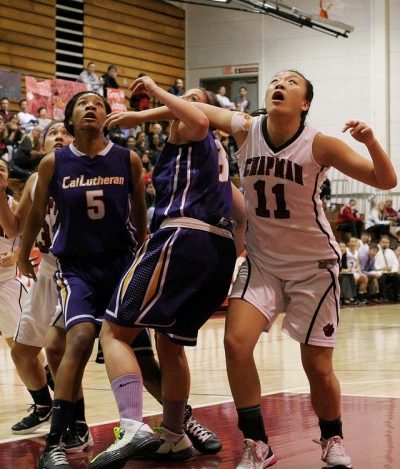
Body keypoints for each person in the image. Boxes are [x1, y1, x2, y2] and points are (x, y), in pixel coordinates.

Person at [182, 69, 396, 468]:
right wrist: (140, 114)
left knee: (316, 366)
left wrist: (370, 142)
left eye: (291, 81)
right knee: (235, 344)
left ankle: (332, 437)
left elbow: (386, 180)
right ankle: (257, 443)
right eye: (276, 79)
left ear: (305, 103)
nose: (280, 83)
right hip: (262, 261)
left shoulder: (320, 144)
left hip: (313, 267)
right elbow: (195, 108)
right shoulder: (246, 128)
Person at [88, 79, 246, 468]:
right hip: (216, 250)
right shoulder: (215, 159)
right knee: (170, 345)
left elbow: (193, 115)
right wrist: (231, 253)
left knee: (114, 332)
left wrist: (156, 93)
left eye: (193, 101)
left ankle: (132, 424)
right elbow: (242, 214)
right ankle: (174, 434)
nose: (182, 107)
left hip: (181, 237)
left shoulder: (197, 131)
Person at [17, 91, 147, 469]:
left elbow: (139, 211)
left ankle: (178, 423)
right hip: (75, 267)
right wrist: (24, 254)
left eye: (99, 104)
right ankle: (55, 441)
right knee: (79, 339)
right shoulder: (53, 163)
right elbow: (37, 212)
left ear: (108, 116)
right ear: (70, 118)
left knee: (142, 352)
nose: (92, 107)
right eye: (83, 104)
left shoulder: (128, 159)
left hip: (121, 265)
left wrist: (143, 250)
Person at [0, 122, 83, 443]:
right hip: (47, 273)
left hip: (78, 272)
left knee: (58, 350)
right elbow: (15, 228)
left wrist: (19, 255)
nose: (59, 137)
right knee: (22, 352)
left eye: (65, 132)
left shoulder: (85, 172)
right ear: (42, 146)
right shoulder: (36, 179)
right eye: (53, 134)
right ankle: (46, 406)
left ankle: (78, 424)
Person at [0, 158, 28, 348]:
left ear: (7, 180)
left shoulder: (14, 206)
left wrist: (17, 255)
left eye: (1, 169)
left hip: (4, 282)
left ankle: (45, 374)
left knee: (18, 343)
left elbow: (31, 236)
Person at [374, 235, 400, 301]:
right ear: (380, 242)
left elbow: (395, 263)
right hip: (379, 272)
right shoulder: (375, 250)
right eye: (383, 242)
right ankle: (382, 296)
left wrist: (393, 271)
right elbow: (372, 264)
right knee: (383, 277)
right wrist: (381, 269)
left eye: (387, 243)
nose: (385, 244)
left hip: (390, 272)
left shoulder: (390, 252)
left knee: (397, 276)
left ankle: (396, 295)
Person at [346, 237, 369, 303]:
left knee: (364, 278)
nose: (353, 243)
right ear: (348, 243)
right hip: (347, 271)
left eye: (354, 242)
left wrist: (360, 273)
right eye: (351, 241)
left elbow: (358, 264)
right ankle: (353, 297)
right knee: (354, 279)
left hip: (354, 271)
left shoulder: (356, 252)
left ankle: (361, 296)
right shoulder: (346, 250)